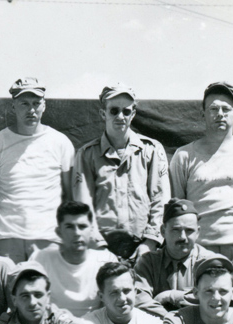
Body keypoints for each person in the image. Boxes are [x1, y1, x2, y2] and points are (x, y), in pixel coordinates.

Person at [170, 82, 233, 260]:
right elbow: (178, 204)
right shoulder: (184, 155)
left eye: (226, 109)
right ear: (203, 114)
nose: (220, 114)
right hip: (199, 249)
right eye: (213, 109)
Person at [0, 77, 75, 262]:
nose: (31, 110)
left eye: (36, 103)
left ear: (44, 105)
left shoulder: (60, 142)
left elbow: (69, 195)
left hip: (49, 238)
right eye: (24, 103)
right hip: (6, 238)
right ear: (13, 106)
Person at [71, 84, 169, 260]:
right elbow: (82, 206)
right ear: (103, 114)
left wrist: (150, 242)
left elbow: (161, 199)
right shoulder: (87, 155)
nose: (120, 117)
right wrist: (98, 246)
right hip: (101, 248)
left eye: (126, 111)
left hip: (143, 248)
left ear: (133, 114)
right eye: (114, 111)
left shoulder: (151, 150)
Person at [30, 201, 117, 317]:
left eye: (82, 226)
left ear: (91, 230)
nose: (77, 233)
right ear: (59, 232)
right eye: (69, 227)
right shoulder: (41, 259)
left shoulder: (106, 260)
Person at [135, 198, 212, 312]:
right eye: (176, 230)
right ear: (163, 231)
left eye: (189, 231)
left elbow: (213, 301)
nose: (183, 237)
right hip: (158, 322)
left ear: (198, 232)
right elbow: (140, 301)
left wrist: (170, 296)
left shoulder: (208, 262)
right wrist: (171, 319)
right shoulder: (148, 262)